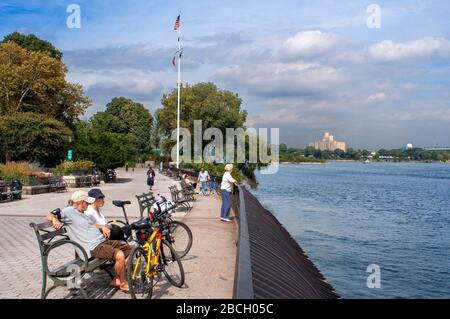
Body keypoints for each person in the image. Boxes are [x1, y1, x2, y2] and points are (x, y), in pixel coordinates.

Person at [47, 190, 131, 292]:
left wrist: (102, 227)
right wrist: (54, 220)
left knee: (129, 249)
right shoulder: (68, 211)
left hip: (101, 242)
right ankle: (122, 282)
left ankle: (117, 279)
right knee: (119, 255)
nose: (89, 204)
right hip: (92, 247)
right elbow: (50, 215)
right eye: (87, 202)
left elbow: (91, 225)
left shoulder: (82, 213)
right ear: (81, 202)